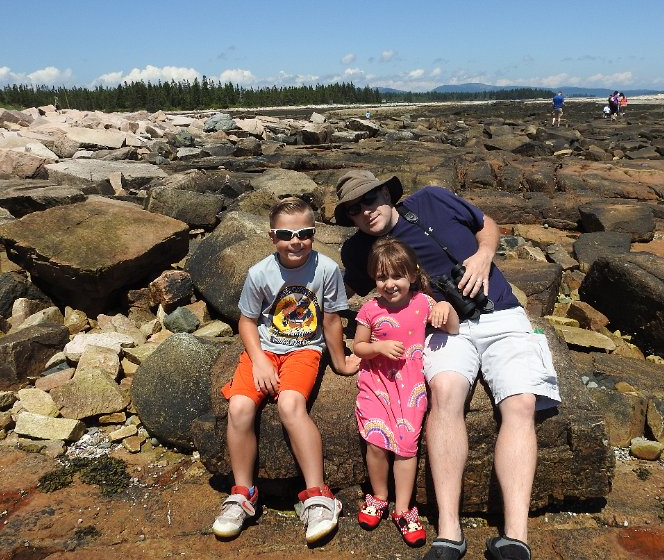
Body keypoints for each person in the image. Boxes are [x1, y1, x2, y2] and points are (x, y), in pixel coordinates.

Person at [334, 171, 561, 560]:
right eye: (354, 210)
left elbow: (486, 224)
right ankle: (450, 533)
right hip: (440, 329)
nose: (365, 211)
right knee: (443, 393)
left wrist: (484, 255)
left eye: (369, 199)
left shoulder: (432, 199)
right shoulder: (358, 250)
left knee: (521, 402)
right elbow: (344, 290)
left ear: (386, 192)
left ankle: (515, 538)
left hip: (500, 313)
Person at [212, 197, 360, 544]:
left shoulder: (326, 270)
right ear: (272, 236)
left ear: (314, 233)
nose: (296, 241)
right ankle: (243, 493)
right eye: (285, 234)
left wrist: (339, 362)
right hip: (265, 350)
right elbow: (247, 321)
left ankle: (318, 495)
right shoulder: (259, 273)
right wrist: (260, 360)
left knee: (290, 405)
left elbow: (332, 320)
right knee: (239, 407)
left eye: (304, 233)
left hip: (304, 350)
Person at [353, 237, 460, 548]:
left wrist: (446, 306)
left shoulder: (424, 303)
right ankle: (379, 496)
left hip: (411, 386)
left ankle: (403, 508)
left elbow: (453, 328)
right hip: (376, 383)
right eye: (381, 277)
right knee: (376, 442)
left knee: (406, 446)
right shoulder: (370, 309)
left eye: (397, 276)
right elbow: (358, 346)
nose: (389, 284)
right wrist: (378, 347)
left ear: (413, 275)